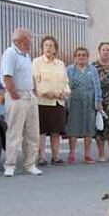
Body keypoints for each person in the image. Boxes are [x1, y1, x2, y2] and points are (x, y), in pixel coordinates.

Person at [0, 28, 42, 177]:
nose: (30, 43)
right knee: (15, 131)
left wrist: (34, 91)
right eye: (28, 40)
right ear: (18, 40)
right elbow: (7, 76)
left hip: (30, 95)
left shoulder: (25, 55)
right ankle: (10, 165)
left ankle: (30, 164)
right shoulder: (10, 53)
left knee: (32, 132)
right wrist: (13, 94)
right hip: (17, 95)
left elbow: (29, 75)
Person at [32, 35, 70, 166]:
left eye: (51, 45)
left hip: (58, 102)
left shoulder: (60, 64)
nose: (48, 48)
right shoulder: (37, 62)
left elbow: (65, 81)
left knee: (56, 130)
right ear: (42, 48)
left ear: (55, 48)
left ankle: (56, 156)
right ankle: (41, 157)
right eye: (46, 45)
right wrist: (47, 93)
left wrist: (65, 92)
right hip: (43, 101)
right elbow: (36, 81)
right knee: (41, 131)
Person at [66, 47, 102, 164]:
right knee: (73, 127)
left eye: (84, 55)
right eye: (79, 55)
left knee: (89, 128)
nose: (81, 57)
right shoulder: (70, 69)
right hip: (75, 102)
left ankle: (87, 154)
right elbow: (66, 85)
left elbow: (97, 86)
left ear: (87, 57)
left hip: (90, 102)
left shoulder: (92, 69)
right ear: (75, 57)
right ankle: (72, 153)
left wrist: (98, 101)